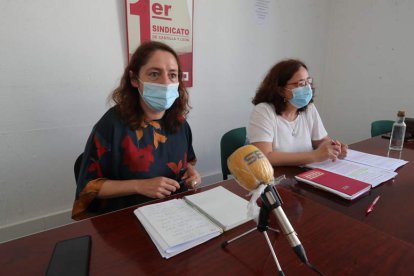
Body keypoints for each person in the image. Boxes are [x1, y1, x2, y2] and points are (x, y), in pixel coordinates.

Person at [72, 41, 201, 220]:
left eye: (172, 75)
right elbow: (89, 187)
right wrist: (139, 185)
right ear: (134, 79)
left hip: (173, 215)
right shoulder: (112, 124)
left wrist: (190, 171)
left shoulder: (179, 122)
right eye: (154, 74)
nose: (165, 82)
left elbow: (185, 162)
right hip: (127, 218)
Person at [247, 59, 347, 166]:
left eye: (308, 82)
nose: (307, 88)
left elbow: (321, 141)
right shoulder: (263, 111)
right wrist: (315, 155)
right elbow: (264, 156)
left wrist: (334, 148)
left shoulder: (309, 108)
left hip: (304, 172)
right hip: (275, 176)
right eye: (300, 84)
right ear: (281, 90)